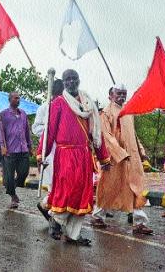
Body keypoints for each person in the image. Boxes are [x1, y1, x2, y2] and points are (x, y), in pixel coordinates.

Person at [37, 69, 110, 246]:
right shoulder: (59, 103)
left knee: (83, 195)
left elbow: (96, 134)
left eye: (74, 79)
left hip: (84, 155)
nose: (71, 82)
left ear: (79, 80)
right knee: (68, 191)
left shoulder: (87, 102)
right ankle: (56, 221)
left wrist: (104, 158)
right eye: (68, 79)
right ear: (64, 82)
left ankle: (73, 235)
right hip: (66, 155)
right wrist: (41, 154)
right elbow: (50, 132)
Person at [93, 84, 152, 234]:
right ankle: (98, 216)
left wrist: (141, 151)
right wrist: (120, 154)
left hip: (132, 158)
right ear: (111, 95)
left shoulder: (128, 112)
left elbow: (133, 134)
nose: (122, 96)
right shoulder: (105, 113)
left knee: (136, 187)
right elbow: (106, 136)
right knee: (109, 188)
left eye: (124, 94)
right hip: (115, 159)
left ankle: (139, 222)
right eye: (118, 93)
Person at [32, 79, 64, 221]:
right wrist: (50, 131)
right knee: (53, 183)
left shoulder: (67, 107)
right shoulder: (44, 108)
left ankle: (48, 207)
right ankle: (53, 215)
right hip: (50, 151)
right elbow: (36, 128)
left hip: (64, 151)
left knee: (62, 183)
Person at [0, 92, 33, 209]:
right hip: (10, 150)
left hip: (23, 149)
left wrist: (30, 146)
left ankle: (11, 185)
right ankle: (13, 196)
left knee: (24, 173)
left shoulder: (23, 114)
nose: (18, 100)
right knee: (9, 175)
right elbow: (1, 132)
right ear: (10, 100)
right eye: (16, 98)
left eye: (19, 98)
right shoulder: (3, 115)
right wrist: (3, 146)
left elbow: (27, 131)